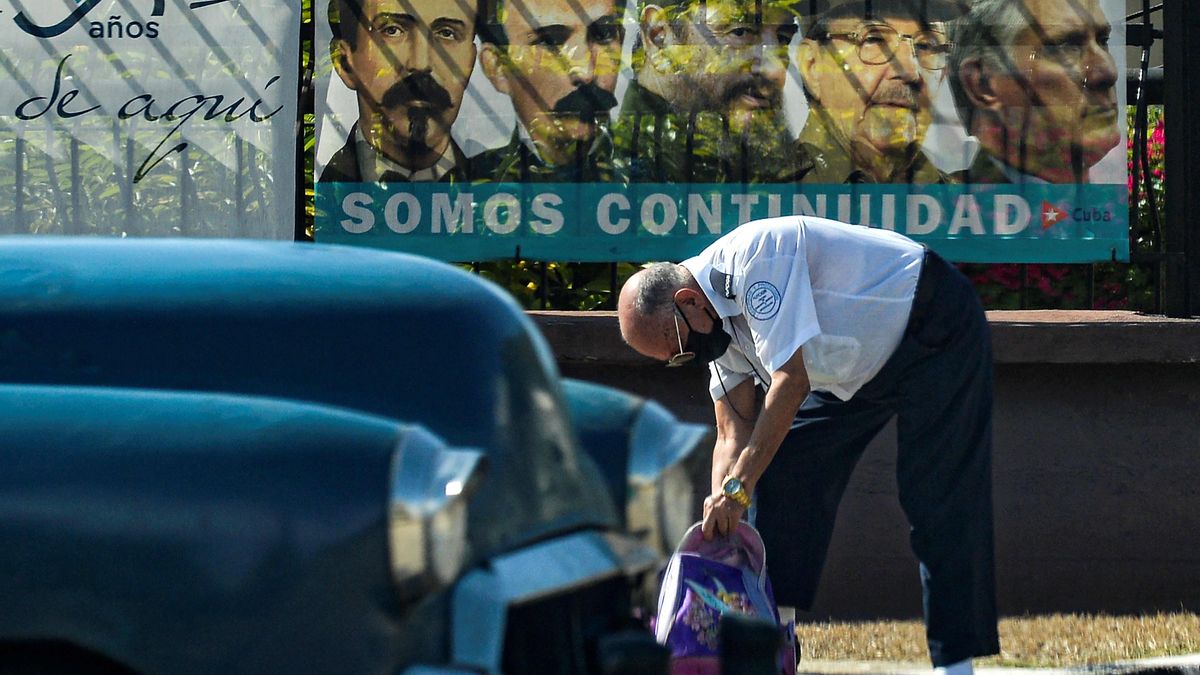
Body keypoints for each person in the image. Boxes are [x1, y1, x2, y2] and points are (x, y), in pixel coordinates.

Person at [617, 216, 999, 673]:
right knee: (782, 472)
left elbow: (790, 381)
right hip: (849, 370)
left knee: (937, 499)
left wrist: (737, 490)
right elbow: (731, 434)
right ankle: (775, 640)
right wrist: (720, 516)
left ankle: (954, 664)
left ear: (689, 301)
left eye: (678, 348)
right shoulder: (712, 328)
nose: (685, 359)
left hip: (934, 327)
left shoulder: (756, 259)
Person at [612, 0, 804, 182]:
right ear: (659, 37)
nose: (776, 71)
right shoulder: (615, 182)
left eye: (783, 39)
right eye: (739, 32)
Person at [946, 0, 1120, 184]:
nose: (1109, 71)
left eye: (1103, 41)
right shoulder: (945, 205)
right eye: (1065, 47)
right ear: (982, 84)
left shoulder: (1106, 204)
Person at [792, 0, 961, 184]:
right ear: (812, 66)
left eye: (926, 46)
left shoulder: (966, 205)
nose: (911, 71)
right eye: (875, 39)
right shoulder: (767, 196)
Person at [320, 0, 478, 183]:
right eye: (392, 30)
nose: (421, 64)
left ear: (471, 63)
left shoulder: (505, 186)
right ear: (345, 63)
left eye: (447, 33)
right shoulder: (319, 194)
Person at [472, 0, 626, 182]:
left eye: (603, 34)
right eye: (550, 42)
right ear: (497, 67)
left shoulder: (657, 174)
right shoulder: (461, 188)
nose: (586, 72)